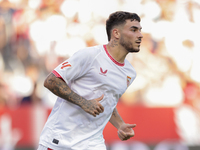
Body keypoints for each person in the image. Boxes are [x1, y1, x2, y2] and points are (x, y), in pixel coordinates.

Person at [37, 11, 143, 150]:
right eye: (133, 30)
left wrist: (120, 124)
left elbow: (107, 101)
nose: (140, 35)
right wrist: (84, 103)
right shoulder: (89, 56)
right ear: (116, 33)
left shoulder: (129, 73)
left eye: (140, 30)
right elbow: (51, 81)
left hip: (93, 144)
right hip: (60, 141)